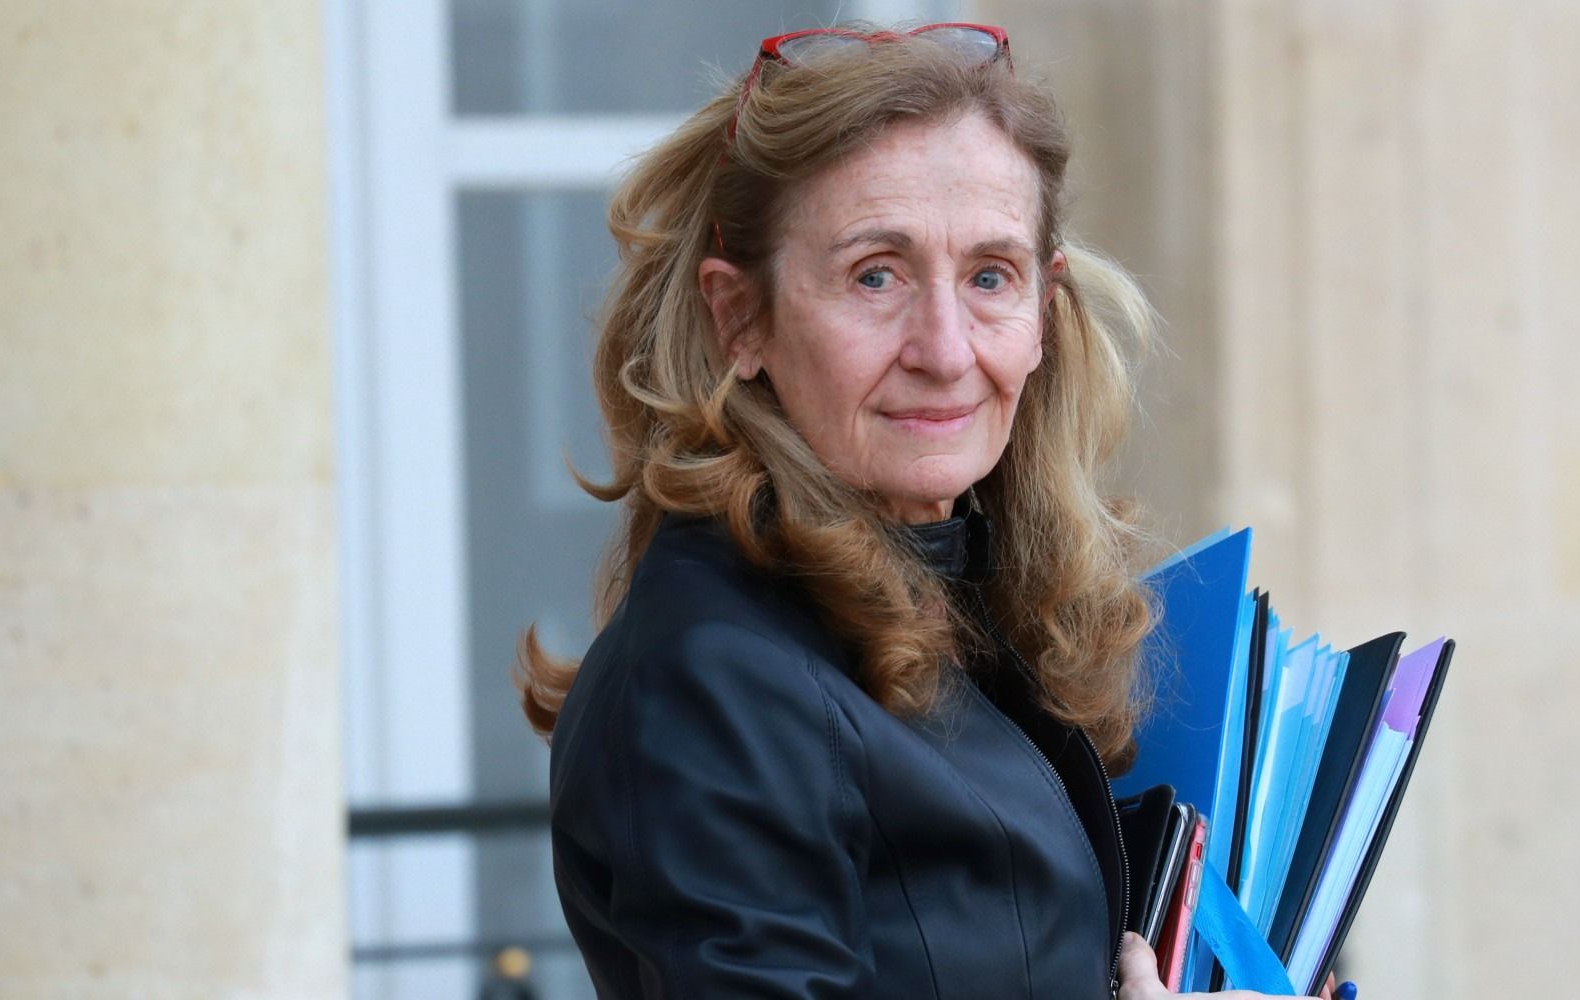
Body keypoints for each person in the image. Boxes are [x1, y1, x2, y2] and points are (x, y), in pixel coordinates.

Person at [516, 23, 1329, 1000]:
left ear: (1042, 313)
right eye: (876, 275)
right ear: (739, 317)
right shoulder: (709, 678)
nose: (944, 350)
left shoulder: (974, 602)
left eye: (989, 276)